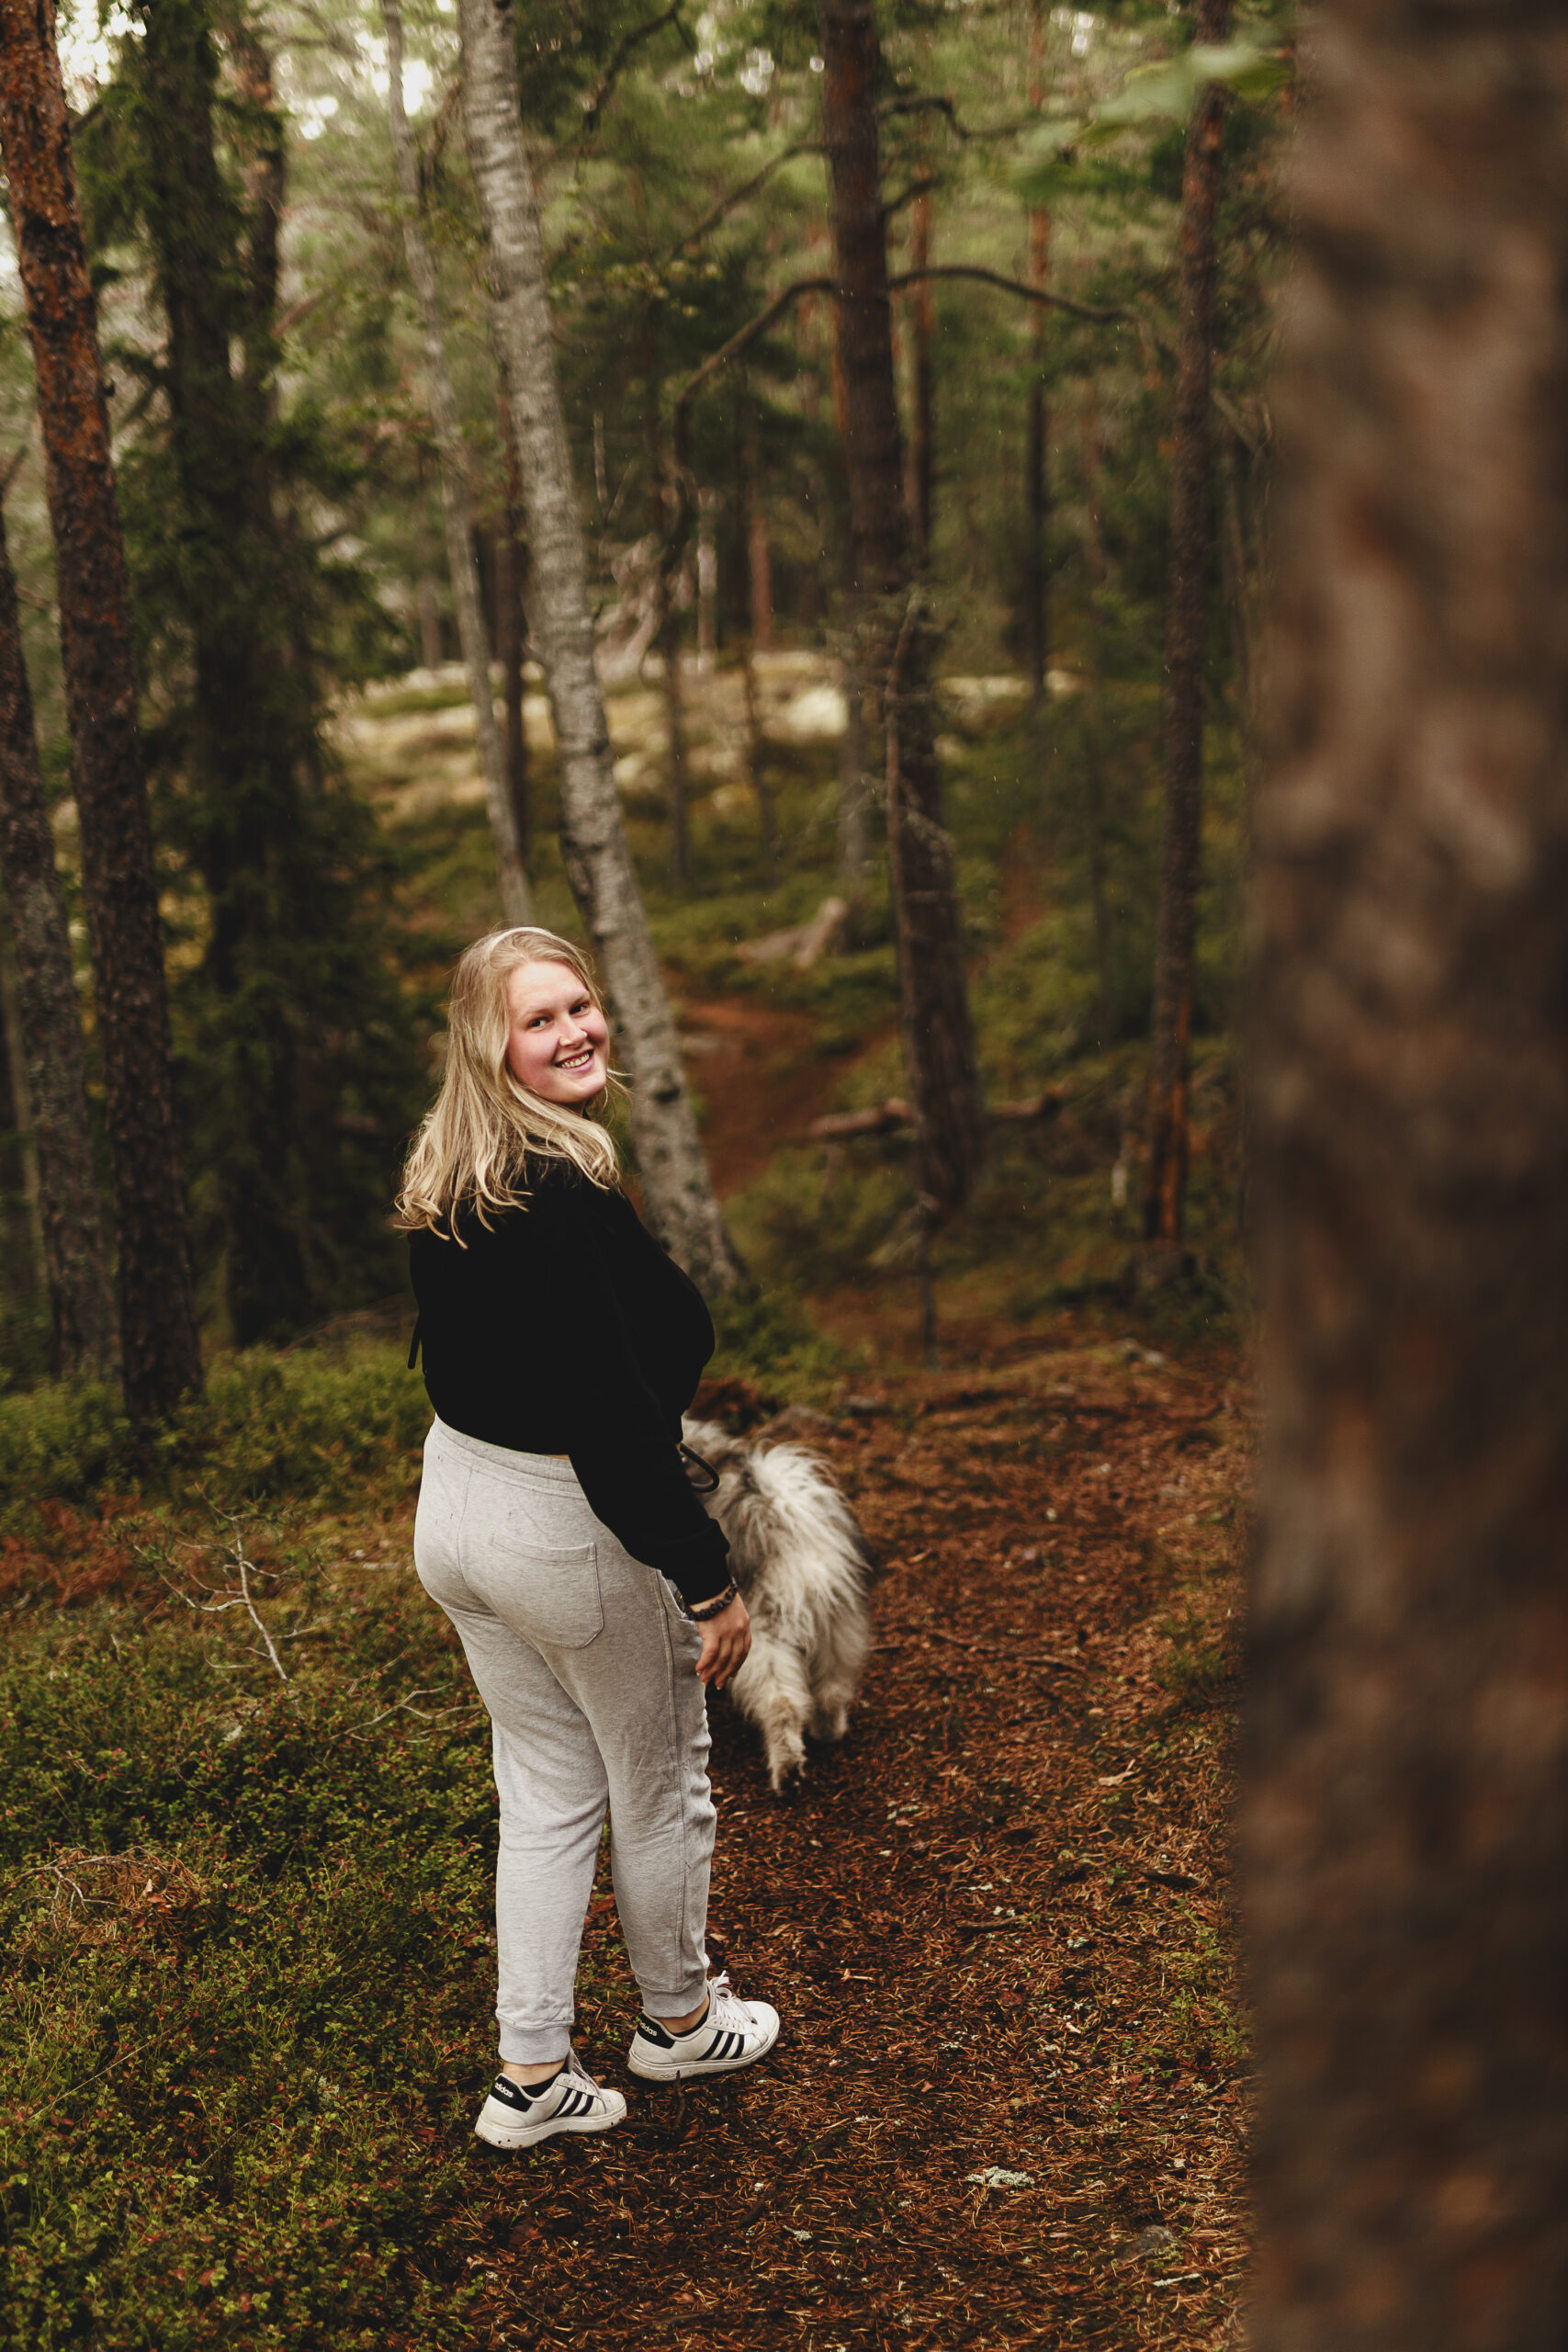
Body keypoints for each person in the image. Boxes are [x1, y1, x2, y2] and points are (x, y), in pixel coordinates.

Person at [397, 927, 779, 2151]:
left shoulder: (453, 1170)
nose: (574, 1034)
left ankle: (531, 2078)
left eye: (581, 1007)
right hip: (561, 1523)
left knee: (547, 1788)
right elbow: (614, 1427)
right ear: (488, 1045)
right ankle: (676, 2022)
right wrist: (708, 1580)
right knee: (660, 1779)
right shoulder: (555, 1195)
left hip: (456, 1507)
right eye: (539, 1020)